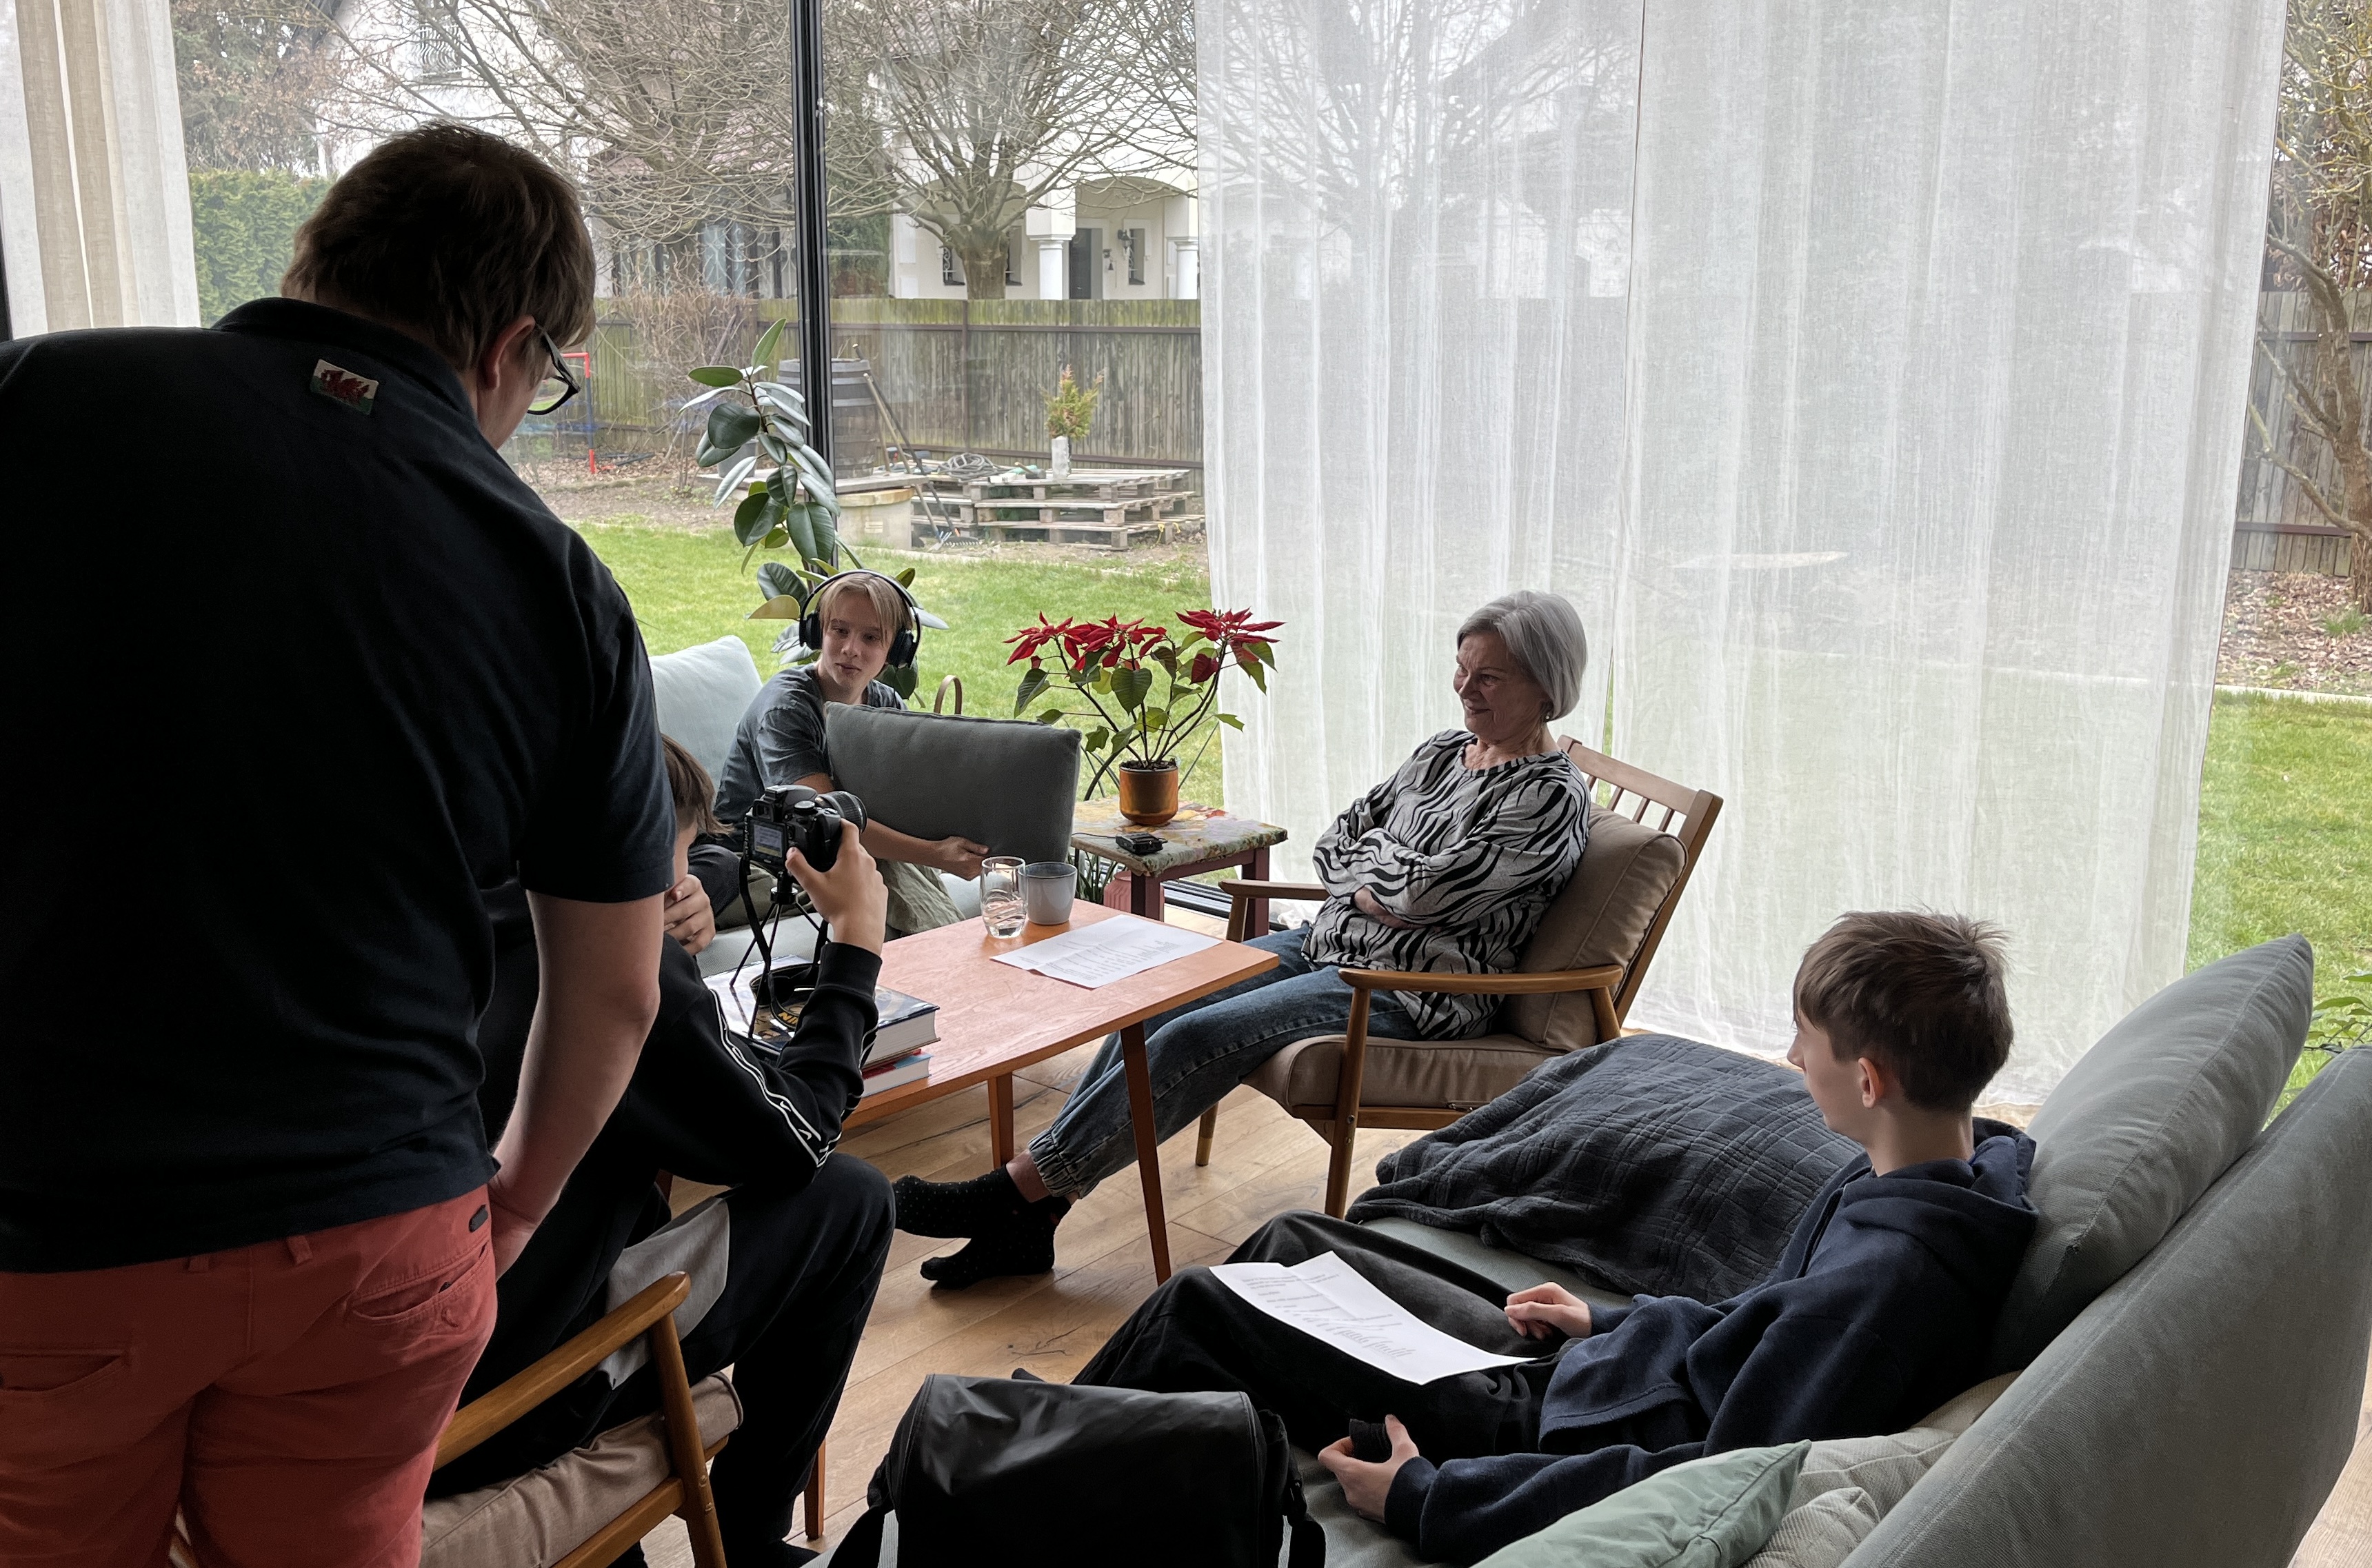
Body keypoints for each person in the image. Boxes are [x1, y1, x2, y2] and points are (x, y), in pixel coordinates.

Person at [0, 125, 672, 1567]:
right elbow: (617, 992)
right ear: (510, 347)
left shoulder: (40, 395)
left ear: (315, 258)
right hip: (386, 1231)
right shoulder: (560, 582)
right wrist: (514, 1198)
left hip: (57, 1231)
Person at [1074, 912, 2040, 1565]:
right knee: (1296, 1238)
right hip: (1590, 1371)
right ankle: (1087, 1451)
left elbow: (1707, 1479)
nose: (1790, 1058)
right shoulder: (1954, 1172)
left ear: (1868, 1079)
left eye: (1805, 1040)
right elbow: (1752, 1326)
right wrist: (1608, 1321)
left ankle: (1014, 1463)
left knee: (1198, 1304)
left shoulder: (1883, 1284)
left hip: (1540, 1426)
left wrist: (1425, 1498)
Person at [895, 590, 1595, 1288]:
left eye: (1488, 677)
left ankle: (1015, 1190)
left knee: (1194, 1037)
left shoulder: (1547, 797)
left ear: (1546, 688)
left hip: (1412, 987)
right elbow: (1336, 843)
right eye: (1461, 669)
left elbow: (1423, 898)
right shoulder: (1443, 752)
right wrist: (1383, 880)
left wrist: (1380, 875)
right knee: (1155, 1001)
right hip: (1328, 943)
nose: (1464, 689)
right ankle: (1034, 1214)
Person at [447, 738, 894, 1567]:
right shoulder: (615, 976)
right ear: (636, 856)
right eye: (677, 860)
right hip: (506, 1398)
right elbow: (796, 1137)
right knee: (851, 1200)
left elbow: (713, 859)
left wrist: (678, 906)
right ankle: (752, 1542)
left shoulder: (448, 921)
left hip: (399, 1361)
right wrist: (855, 949)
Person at [715, 569, 987, 936]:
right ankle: (947, 957)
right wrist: (936, 854)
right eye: (839, 631)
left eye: (871, 637)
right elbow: (825, 819)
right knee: (870, 861)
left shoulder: (886, 704)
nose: (851, 649)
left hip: (831, 850)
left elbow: (907, 800)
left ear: (897, 650)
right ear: (817, 633)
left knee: (876, 860)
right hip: (757, 861)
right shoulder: (786, 708)